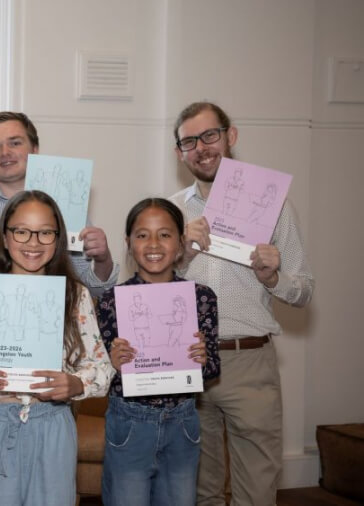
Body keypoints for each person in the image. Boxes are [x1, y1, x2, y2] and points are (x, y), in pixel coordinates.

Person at [169, 102, 314, 505]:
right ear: (179, 152)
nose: (202, 147)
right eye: (189, 141)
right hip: (188, 361)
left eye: (210, 135)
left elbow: (304, 290)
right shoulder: (170, 211)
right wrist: (181, 251)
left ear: (230, 136)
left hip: (249, 361)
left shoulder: (276, 206)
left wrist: (274, 277)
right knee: (199, 491)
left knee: (257, 490)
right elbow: (147, 289)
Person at [0, 190, 115, 506]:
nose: (33, 242)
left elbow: (100, 365)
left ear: (58, 238)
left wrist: (76, 383)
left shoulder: (76, 296)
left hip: (54, 425)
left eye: (45, 232)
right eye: (21, 231)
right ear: (5, 237)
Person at [95, 198, 221, 506]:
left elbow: (213, 367)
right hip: (129, 422)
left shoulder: (201, 298)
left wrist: (203, 360)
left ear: (180, 242)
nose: (154, 243)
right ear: (128, 243)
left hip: (182, 422)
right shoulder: (112, 301)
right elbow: (97, 371)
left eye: (164, 234)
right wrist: (112, 362)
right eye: (142, 235)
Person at [0, 111, 118, 304]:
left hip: (55, 321)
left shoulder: (66, 201)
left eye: (15, 143)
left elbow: (93, 290)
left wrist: (103, 261)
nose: (5, 153)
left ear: (35, 149)